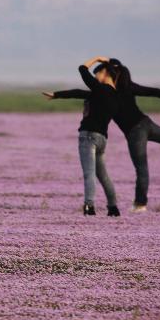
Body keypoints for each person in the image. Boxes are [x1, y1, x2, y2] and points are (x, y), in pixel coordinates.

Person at [104, 57, 160, 212]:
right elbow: (152, 92)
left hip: (135, 133)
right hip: (146, 124)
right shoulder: (129, 87)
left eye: (102, 73)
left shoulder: (108, 94)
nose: (99, 77)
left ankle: (140, 204)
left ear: (111, 75)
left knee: (142, 169)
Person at [43, 57, 121, 217]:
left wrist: (98, 59)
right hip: (102, 139)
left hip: (88, 137)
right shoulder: (115, 96)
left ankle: (89, 206)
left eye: (97, 73)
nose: (96, 77)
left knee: (89, 173)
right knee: (103, 175)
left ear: (105, 72)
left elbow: (82, 69)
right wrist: (57, 94)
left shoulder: (101, 90)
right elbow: (79, 93)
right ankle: (113, 207)